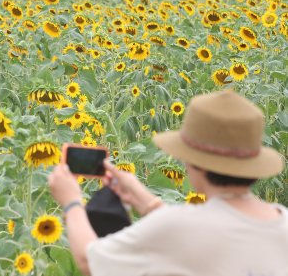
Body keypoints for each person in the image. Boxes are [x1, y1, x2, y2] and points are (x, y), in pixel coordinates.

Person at [48, 90, 287, 276]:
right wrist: (146, 202)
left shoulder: (178, 226)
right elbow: (197, 237)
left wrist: (71, 202)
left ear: (195, 163)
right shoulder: (282, 222)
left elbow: (90, 261)